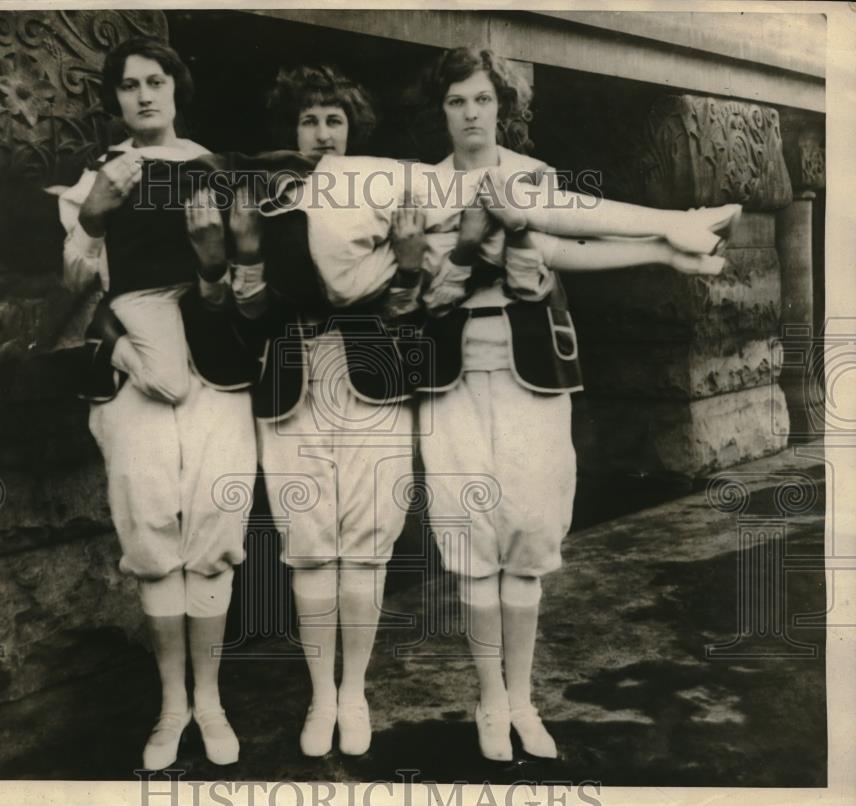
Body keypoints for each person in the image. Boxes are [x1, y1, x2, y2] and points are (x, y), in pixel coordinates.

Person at [410, 47, 737, 763]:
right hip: (454, 378)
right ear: (442, 111)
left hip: (530, 373)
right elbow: (420, 286)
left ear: (502, 107)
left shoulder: (532, 177)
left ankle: (521, 696)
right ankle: (488, 698)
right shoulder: (422, 189)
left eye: (483, 100)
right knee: (471, 539)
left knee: (527, 533)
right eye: (457, 102)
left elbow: (568, 251)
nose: (471, 114)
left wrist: (658, 254)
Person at [57, 37, 261, 770]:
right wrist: (95, 218)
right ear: (114, 100)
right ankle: (171, 705)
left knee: (212, 526)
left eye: (156, 81)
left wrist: (214, 266)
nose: (144, 96)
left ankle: (209, 700)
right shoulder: (95, 178)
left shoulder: (215, 170)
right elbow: (73, 292)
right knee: (148, 526)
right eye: (129, 86)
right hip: (136, 370)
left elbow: (252, 291)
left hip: (214, 370)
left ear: (178, 88)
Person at [240, 65, 426, 758]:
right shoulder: (269, 200)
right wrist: (248, 256)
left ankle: (356, 691)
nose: (323, 133)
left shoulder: (380, 200)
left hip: (372, 376)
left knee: (368, 543)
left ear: (354, 132)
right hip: (293, 381)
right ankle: (321, 694)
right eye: (310, 120)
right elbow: (250, 309)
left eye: (335, 120)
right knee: (310, 546)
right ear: (292, 131)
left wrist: (407, 267)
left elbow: (411, 313)